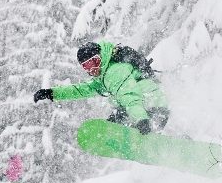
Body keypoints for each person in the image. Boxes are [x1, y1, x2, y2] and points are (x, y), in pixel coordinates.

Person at [33, 41, 169, 134]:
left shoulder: (114, 72)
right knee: (115, 120)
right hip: (147, 106)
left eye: (94, 62)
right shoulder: (103, 75)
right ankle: (143, 132)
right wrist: (52, 93)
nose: (92, 69)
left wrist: (141, 119)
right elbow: (81, 90)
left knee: (118, 119)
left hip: (152, 106)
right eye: (87, 66)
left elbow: (130, 96)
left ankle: (149, 131)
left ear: (102, 57)